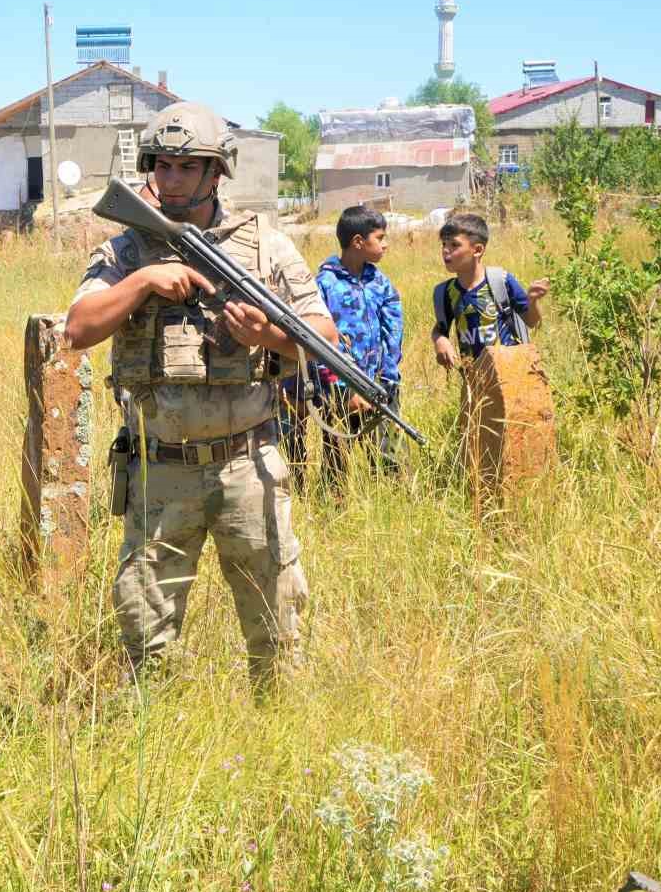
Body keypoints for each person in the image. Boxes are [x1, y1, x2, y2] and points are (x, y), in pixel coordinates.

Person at [64, 102, 337, 686]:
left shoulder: (264, 246)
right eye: (161, 164)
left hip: (248, 464)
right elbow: (78, 328)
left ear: (218, 172)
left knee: (277, 630)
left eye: (188, 166)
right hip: (158, 471)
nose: (172, 178)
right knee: (146, 637)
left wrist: (271, 335)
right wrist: (142, 283)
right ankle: (150, 752)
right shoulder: (125, 252)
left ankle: (277, 747)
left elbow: (325, 338)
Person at [306, 204, 405, 481]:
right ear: (358, 242)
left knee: (389, 452)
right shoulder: (325, 284)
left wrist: (388, 372)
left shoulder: (379, 281)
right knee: (337, 453)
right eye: (380, 238)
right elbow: (321, 341)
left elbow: (393, 324)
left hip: (381, 381)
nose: (385, 245)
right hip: (341, 387)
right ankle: (334, 508)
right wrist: (345, 386)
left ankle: (392, 499)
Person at [430, 212, 548, 367]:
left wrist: (532, 301)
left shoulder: (501, 281)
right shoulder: (445, 292)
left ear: (477, 250)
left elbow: (532, 322)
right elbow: (440, 329)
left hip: (511, 372)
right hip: (473, 380)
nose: (446, 250)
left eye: (454, 245)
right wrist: (440, 341)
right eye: (444, 244)